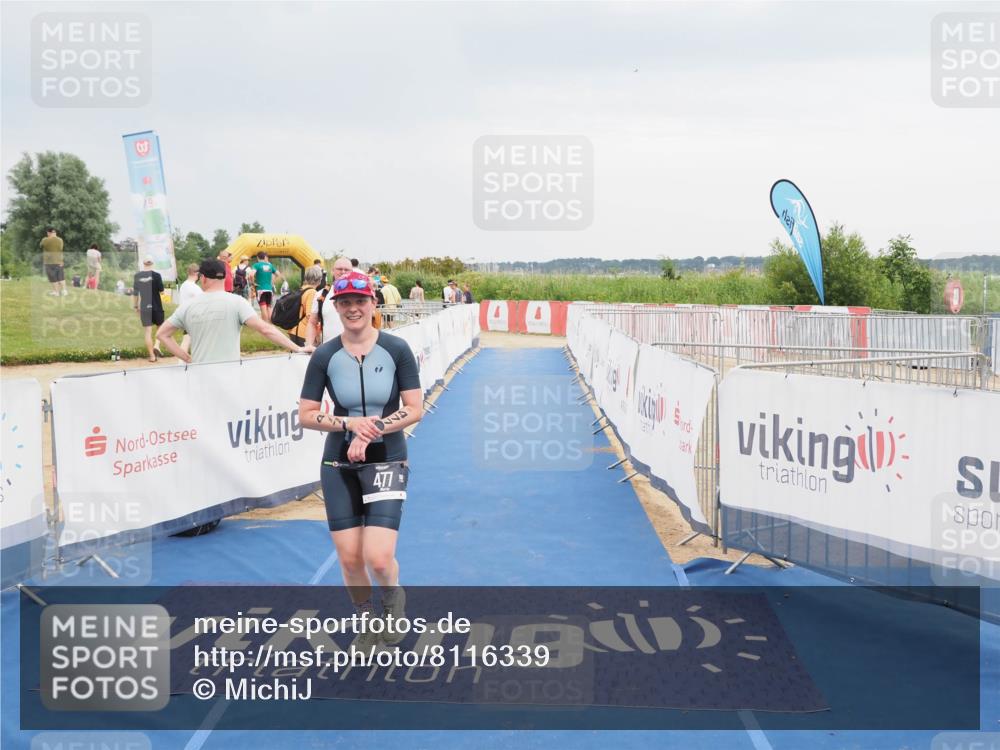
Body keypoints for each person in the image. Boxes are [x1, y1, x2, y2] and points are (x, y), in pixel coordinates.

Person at [298, 271, 423, 650]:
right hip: (338, 463)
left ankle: (392, 598)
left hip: (387, 459)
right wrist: (348, 423)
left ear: (373, 304)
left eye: (360, 301)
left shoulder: (396, 349)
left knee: (379, 558)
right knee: (350, 558)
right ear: (335, 307)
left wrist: (372, 429)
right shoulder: (325, 355)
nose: (353, 309)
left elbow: (415, 407)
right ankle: (367, 620)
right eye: (345, 302)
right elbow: (305, 414)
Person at [157, 260, 312, 364]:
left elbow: (162, 335)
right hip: (230, 373)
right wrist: (297, 348)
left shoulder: (188, 306)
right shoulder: (237, 302)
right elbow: (265, 329)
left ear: (203, 278)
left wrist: (188, 359)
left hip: (201, 373)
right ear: (225, 278)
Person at [306, 256, 353, 347]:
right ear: (332, 271)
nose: (343, 272)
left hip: (355, 350)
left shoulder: (360, 295)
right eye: (339, 269)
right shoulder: (321, 295)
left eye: (346, 270)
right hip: (328, 351)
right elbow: (312, 322)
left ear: (352, 272)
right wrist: (309, 345)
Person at [133, 257, 165, 362]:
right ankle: (157, 345)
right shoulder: (157, 276)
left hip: (144, 307)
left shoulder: (137, 276)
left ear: (143, 263)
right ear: (152, 263)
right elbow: (162, 291)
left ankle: (152, 356)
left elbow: (135, 293)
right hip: (156, 306)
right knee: (161, 328)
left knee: (148, 332)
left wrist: (136, 306)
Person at [289, 265, 324, 347]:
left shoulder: (302, 289)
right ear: (319, 279)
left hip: (294, 330)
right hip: (303, 333)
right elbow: (309, 315)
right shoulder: (312, 292)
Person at [176, 263, 204, 354]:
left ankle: (182, 361)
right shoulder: (194, 287)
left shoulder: (184, 285)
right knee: (194, 341)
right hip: (193, 316)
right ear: (197, 274)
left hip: (185, 315)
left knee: (187, 339)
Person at [249, 252, 282, 323]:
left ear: (258, 258)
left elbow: (251, 275)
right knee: (269, 307)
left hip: (260, 289)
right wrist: (273, 281)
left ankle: (265, 324)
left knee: (263, 307)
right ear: (264, 257)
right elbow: (278, 274)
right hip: (269, 289)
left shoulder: (256, 265)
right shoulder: (270, 266)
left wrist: (253, 283)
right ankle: (270, 323)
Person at [40, 228, 66, 297]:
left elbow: (41, 245)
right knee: (61, 277)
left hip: (49, 262)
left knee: (53, 277)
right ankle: (64, 291)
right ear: (55, 233)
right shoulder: (60, 240)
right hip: (59, 260)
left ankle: (56, 292)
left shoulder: (45, 240)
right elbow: (61, 249)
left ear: (49, 233)